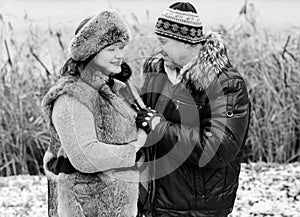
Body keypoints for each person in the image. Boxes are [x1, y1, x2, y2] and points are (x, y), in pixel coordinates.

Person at [135, 2, 251, 217]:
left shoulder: (226, 84)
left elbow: (218, 149)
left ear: (186, 42)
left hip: (197, 209)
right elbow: (142, 119)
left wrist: (158, 127)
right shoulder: (157, 72)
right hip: (154, 203)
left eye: (164, 41)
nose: (160, 49)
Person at [41, 10, 147, 217]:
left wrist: (143, 120)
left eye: (121, 48)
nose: (120, 55)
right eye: (111, 49)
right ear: (89, 52)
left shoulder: (112, 89)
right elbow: (85, 156)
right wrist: (136, 146)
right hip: (86, 207)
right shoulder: (71, 98)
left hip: (118, 205)